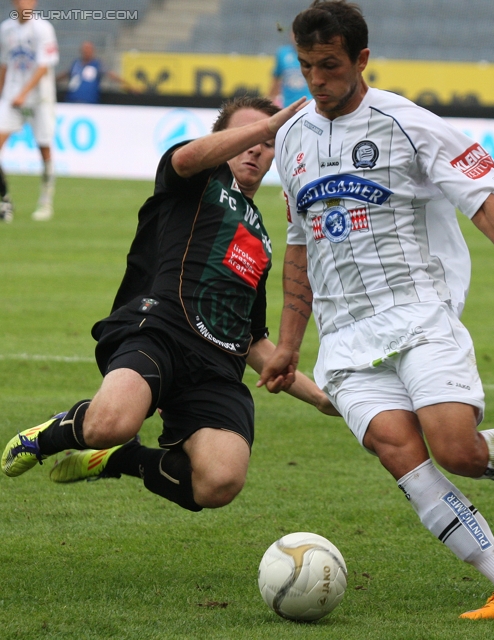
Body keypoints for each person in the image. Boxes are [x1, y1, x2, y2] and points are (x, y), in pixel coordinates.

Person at [259, 0, 494, 620]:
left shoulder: (410, 124)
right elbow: (301, 246)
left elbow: (481, 199)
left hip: (416, 314)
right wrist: (289, 344)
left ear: (361, 60)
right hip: (347, 338)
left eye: (329, 66)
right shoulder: (293, 139)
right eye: (306, 68)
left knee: (458, 451)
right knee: (400, 455)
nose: (317, 82)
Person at [1, 94, 340, 515]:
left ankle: (121, 459)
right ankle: (49, 435)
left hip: (217, 370)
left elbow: (253, 341)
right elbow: (187, 158)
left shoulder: (263, 240)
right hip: (159, 332)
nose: (255, 147)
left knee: (219, 481)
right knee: (111, 423)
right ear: (223, 139)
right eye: (245, 135)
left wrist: (323, 398)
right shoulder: (198, 176)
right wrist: (267, 126)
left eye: (268, 143)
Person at [0, 0, 58, 223]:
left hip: (40, 99)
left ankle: (45, 201)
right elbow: (4, 64)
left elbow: (44, 66)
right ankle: (5, 199)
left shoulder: (43, 29)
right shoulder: (6, 29)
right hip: (12, 96)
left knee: (44, 149)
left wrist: (24, 93)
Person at [57, 41, 137, 105]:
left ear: (93, 51)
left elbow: (112, 76)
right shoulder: (75, 64)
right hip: (71, 102)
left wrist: (128, 85)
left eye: (88, 49)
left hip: (89, 103)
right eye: (84, 49)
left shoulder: (97, 65)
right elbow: (65, 74)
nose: (86, 52)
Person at [268, 30, 312, 108]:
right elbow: (276, 79)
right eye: (294, 33)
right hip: (288, 105)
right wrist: (269, 101)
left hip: (309, 104)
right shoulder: (282, 53)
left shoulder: (315, 53)